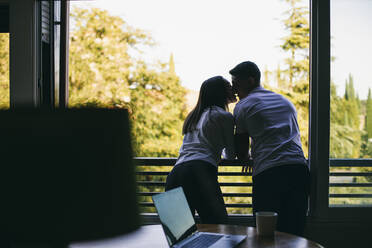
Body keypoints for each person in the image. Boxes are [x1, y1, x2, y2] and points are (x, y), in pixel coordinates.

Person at [230, 61, 310, 236]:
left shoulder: (242, 106)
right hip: (299, 170)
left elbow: (241, 151)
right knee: (294, 233)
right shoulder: (285, 101)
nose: (233, 87)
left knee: (266, 234)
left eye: (236, 82)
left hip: (269, 174)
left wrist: (248, 156)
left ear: (250, 81)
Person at [165, 76, 237, 224]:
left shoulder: (193, 116)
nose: (233, 89)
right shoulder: (224, 116)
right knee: (219, 227)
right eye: (229, 87)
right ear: (220, 92)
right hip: (200, 173)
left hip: (175, 174)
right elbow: (230, 155)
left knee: (179, 232)